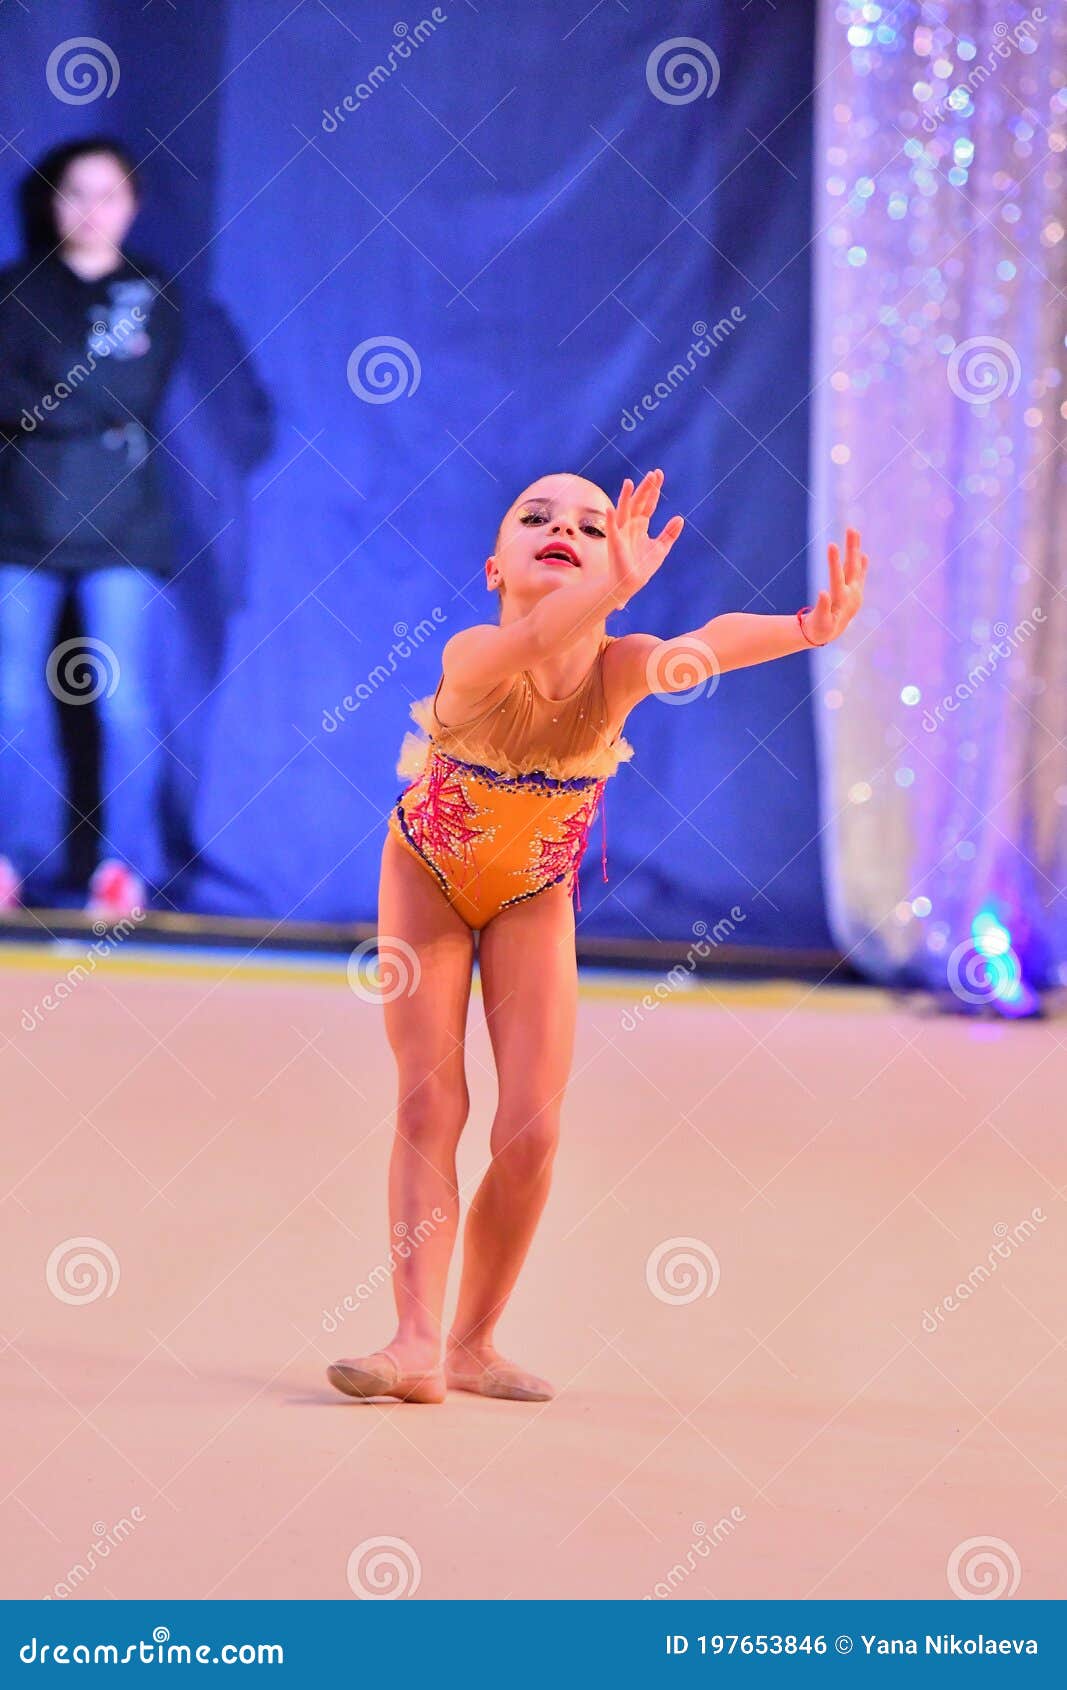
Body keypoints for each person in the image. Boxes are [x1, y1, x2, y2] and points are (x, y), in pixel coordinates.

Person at [327, 469, 868, 1403]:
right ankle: (413, 1341)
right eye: (535, 517)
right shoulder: (474, 654)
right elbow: (539, 635)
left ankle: (473, 1341)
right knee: (431, 1105)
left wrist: (804, 630)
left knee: (531, 1128)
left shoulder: (620, 670)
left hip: (533, 894)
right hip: (428, 879)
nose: (562, 529)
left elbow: (704, 648)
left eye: (587, 522)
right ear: (494, 567)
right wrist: (609, 586)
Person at [0, 136, 183, 916]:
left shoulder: (151, 291)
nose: (90, 210)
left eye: (108, 194)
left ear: (131, 205)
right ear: (52, 202)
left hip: (122, 530)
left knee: (122, 701)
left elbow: (134, 391)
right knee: (12, 698)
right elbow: (10, 398)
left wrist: (56, 396)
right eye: (76, 193)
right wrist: (80, 397)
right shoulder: (17, 291)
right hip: (20, 525)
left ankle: (123, 869)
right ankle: (14, 860)